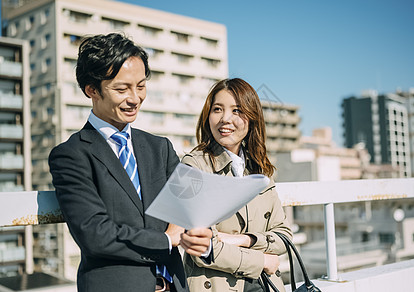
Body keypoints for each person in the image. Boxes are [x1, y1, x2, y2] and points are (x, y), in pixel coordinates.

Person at [48, 33, 212, 292]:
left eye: (141, 85)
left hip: (175, 285)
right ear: (92, 90)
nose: (135, 98)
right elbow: (96, 234)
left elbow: (188, 206)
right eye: (122, 89)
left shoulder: (160, 148)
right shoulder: (71, 155)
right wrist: (166, 240)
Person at [181, 78, 293, 292]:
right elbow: (202, 248)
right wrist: (261, 260)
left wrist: (242, 239)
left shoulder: (260, 169)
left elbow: (284, 238)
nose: (225, 119)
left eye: (237, 111)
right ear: (207, 116)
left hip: (266, 285)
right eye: (217, 109)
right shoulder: (194, 166)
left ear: (252, 118)